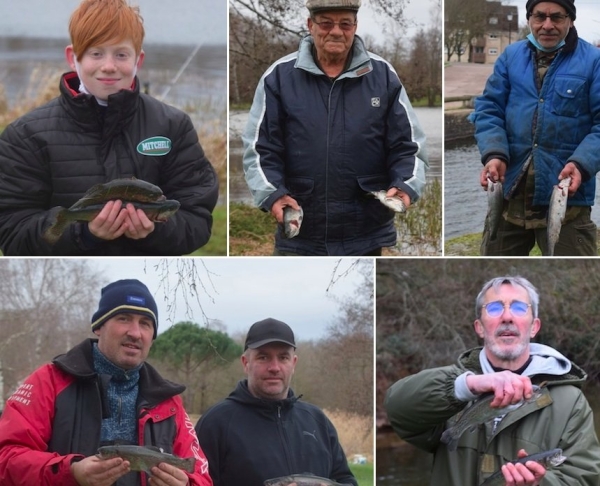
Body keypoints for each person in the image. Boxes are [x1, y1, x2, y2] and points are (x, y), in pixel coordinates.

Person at [0, 0, 219, 256]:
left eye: (121, 54)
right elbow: (12, 233)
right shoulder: (24, 135)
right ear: (73, 58)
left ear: (139, 60)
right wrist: (83, 234)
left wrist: (154, 230)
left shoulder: (174, 126)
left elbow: (197, 221)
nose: (108, 65)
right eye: (96, 53)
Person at [242, 0, 428, 256]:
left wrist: (406, 185)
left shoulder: (383, 75)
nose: (336, 31)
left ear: (355, 26)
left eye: (345, 23)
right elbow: (260, 149)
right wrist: (273, 195)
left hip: (366, 233)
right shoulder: (278, 77)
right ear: (310, 25)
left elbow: (409, 146)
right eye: (326, 23)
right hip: (299, 232)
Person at [384, 276, 600, 485]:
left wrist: (540, 484)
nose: (507, 317)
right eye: (495, 308)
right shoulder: (451, 386)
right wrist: (465, 386)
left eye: (518, 308)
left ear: (534, 326)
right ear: (479, 327)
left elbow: (586, 477)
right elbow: (396, 409)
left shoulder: (571, 402)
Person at [0, 279, 213, 486]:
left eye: (145, 324)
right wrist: (69, 472)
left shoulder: (169, 402)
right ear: (99, 326)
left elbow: (201, 475)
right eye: (123, 318)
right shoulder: (49, 381)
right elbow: (5, 459)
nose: (135, 332)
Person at [470, 0, 600, 256]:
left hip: (568, 206)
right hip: (508, 201)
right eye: (540, 17)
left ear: (570, 19)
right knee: (496, 274)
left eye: (557, 17)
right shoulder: (510, 57)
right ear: (529, 19)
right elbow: (488, 109)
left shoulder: (594, 61)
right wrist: (494, 153)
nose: (547, 25)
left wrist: (582, 164)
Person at [195, 318, 357, 486]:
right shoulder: (215, 424)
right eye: (263, 357)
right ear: (246, 363)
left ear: (293, 363)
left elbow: (346, 480)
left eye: (283, 357)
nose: (274, 367)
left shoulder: (317, 421)